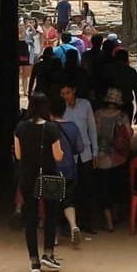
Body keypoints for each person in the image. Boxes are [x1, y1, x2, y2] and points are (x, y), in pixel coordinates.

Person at [13, 92, 65, 272]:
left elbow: (18, 155)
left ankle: (34, 261)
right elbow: (58, 155)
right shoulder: (51, 128)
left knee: (31, 218)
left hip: (27, 177)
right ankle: (48, 254)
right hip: (48, 175)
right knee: (51, 215)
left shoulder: (20, 127)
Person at [59, 81, 99, 235]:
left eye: (67, 93)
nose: (65, 97)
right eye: (62, 94)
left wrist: (95, 151)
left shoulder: (85, 105)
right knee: (70, 191)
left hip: (85, 154)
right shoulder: (61, 110)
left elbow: (92, 128)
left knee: (86, 189)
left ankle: (87, 223)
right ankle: (70, 225)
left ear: (74, 90)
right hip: (68, 157)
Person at [92, 88, 133, 232]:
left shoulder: (98, 115)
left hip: (102, 156)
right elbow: (129, 134)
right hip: (119, 157)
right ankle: (116, 215)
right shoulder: (122, 116)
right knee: (117, 187)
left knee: (104, 189)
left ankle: (108, 222)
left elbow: (94, 134)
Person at [51, 102, 87, 247]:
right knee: (68, 201)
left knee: (51, 203)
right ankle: (73, 226)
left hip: (52, 169)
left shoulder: (47, 128)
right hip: (69, 169)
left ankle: (53, 236)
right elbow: (80, 148)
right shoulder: (72, 127)